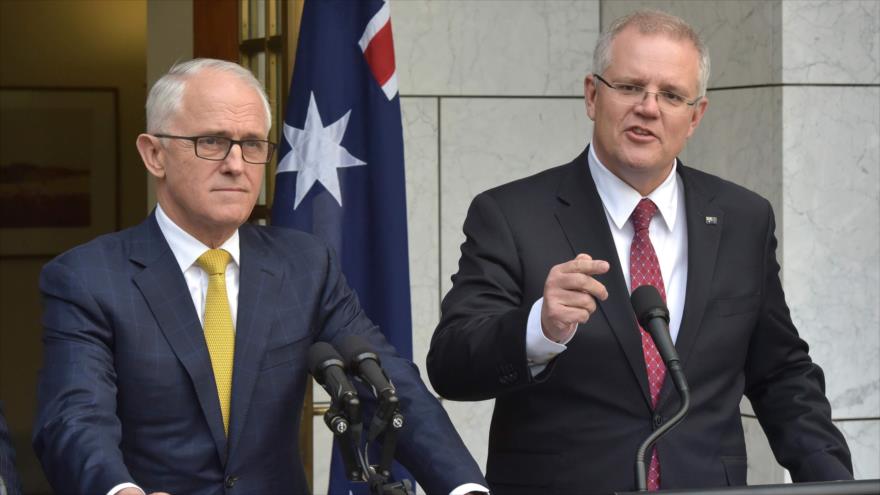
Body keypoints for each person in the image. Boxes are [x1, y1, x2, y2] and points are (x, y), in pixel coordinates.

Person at [427, 10, 852, 494]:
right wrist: (539, 328)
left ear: (695, 116)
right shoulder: (511, 214)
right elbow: (450, 366)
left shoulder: (743, 219)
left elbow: (781, 375)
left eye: (671, 95)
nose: (649, 108)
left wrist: (835, 484)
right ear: (592, 95)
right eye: (630, 87)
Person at [34, 58, 487, 495]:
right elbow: (75, 419)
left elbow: (389, 384)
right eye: (211, 141)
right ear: (154, 154)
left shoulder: (306, 265)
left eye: (252, 144)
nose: (236, 164)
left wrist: (464, 487)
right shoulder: (87, 278)